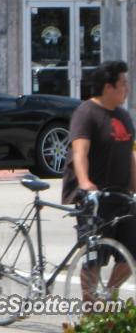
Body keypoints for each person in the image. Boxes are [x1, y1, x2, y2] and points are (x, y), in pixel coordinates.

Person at [61, 60, 136, 300]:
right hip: (95, 197)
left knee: (132, 254)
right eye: (123, 83)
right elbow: (79, 152)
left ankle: (107, 296)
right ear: (108, 87)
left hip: (122, 196)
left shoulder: (123, 115)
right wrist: (84, 182)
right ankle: (90, 313)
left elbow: (130, 155)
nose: (127, 88)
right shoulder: (87, 113)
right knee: (95, 257)